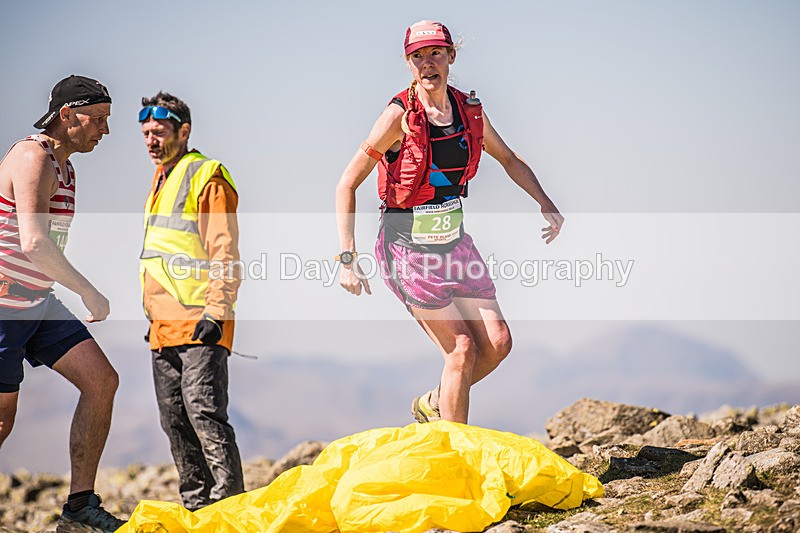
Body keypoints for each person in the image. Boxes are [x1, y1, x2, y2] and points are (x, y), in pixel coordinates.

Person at [335, 21, 564, 425]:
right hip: (406, 249)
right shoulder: (397, 116)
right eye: (417, 56)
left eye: (436, 53)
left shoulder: (468, 111)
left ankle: (435, 402)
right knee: (460, 348)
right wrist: (347, 257)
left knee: (496, 343)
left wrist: (545, 202)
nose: (427, 63)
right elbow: (347, 183)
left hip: (454, 244)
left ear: (451, 57)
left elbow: (508, 158)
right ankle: (454, 453)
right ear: (408, 64)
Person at [0, 75, 126, 532]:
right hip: (5, 307)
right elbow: (33, 242)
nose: (105, 131)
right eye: (98, 119)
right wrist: (88, 290)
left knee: (102, 381)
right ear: (68, 115)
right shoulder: (33, 157)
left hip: (37, 302)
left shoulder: (66, 167)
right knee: (2, 421)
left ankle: (78, 507)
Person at [138, 91, 244, 510]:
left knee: (205, 415)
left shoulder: (207, 175)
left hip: (202, 322)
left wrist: (217, 311)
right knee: (175, 422)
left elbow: (224, 250)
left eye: (159, 131)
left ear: (184, 131)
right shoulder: (160, 178)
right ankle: (197, 509)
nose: (150, 140)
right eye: (145, 132)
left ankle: (229, 508)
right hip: (161, 328)